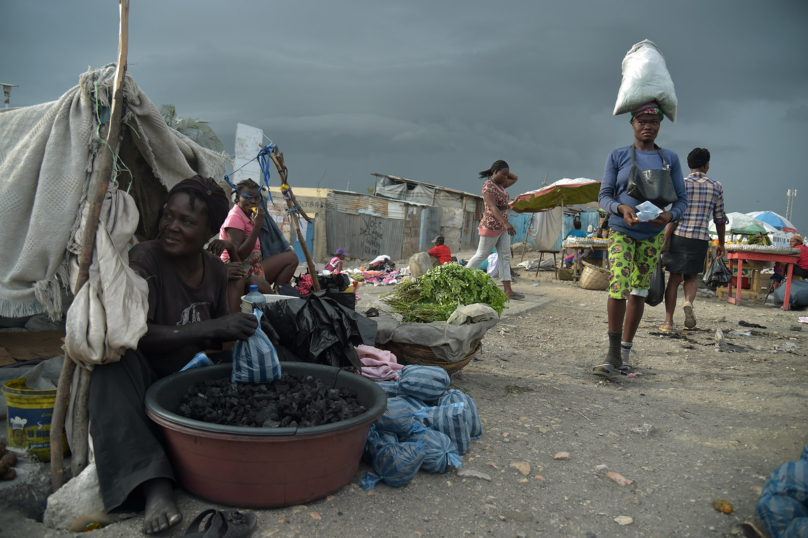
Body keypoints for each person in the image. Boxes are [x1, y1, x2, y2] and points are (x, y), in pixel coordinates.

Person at [89, 176, 274, 534]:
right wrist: (211, 329)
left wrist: (253, 334)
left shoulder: (216, 270)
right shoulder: (146, 260)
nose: (171, 228)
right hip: (147, 380)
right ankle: (154, 484)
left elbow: (221, 342)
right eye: (168, 216)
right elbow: (135, 335)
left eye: (186, 222)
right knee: (108, 369)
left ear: (207, 231)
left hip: (189, 382)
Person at [594, 102, 688, 378]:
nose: (648, 126)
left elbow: (682, 200)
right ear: (632, 124)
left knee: (639, 290)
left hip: (652, 235)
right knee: (619, 284)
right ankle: (611, 352)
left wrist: (669, 217)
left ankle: (624, 353)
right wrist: (620, 208)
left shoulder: (669, 159)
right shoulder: (618, 155)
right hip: (622, 229)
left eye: (654, 122)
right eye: (642, 122)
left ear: (660, 125)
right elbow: (604, 196)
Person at [660, 148, 727, 331]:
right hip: (700, 239)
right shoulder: (716, 186)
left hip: (678, 236)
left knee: (674, 279)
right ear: (706, 165)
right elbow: (719, 219)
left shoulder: (681, 183)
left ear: (689, 165)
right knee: (691, 277)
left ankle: (668, 322)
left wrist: (665, 240)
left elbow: (674, 215)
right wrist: (721, 243)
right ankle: (688, 302)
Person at [216, 179, 299, 311]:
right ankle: (274, 306)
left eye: (256, 197)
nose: (253, 201)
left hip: (252, 266)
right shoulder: (235, 218)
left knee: (292, 258)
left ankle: (276, 292)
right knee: (258, 283)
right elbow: (239, 255)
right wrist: (257, 226)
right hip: (239, 268)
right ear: (237, 197)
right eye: (248, 198)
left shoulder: (249, 215)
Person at [465, 160, 523, 299]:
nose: (505, 178)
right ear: (495, 172)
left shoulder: (501, 185)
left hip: (502, 227)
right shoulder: (488, 186)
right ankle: (461, 276)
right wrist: (505, 222)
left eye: (506, 175)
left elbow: (515, 178)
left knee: (504, 256)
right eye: (503, 174)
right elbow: (492, 206)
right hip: (491, 225)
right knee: (481, 255)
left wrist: (502, 171)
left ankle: (508, 291)